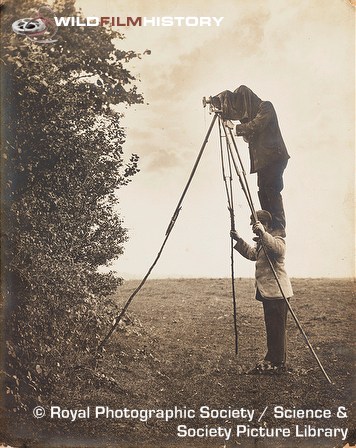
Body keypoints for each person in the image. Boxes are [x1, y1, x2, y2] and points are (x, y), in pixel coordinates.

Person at [212, 85, 290, 237]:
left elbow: (257, 125)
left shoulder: (266, 107)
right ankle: (268, 228)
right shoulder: (254, 114)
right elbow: (250, 135)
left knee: (272, 190)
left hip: (274, 157)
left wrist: (236, 128)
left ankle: (279, 228)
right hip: (263, 161)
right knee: (263, 191)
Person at [230, 210, 293, 374]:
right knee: (272, 327)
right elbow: (252, 254)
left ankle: (277, 363)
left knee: (277, 329)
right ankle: (273, 359)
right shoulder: (261, 242)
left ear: (265, 224)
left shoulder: (278, 241)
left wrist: (263, 233)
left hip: (278, 293)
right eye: (252, 224)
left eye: (255, 224)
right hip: (268, 293)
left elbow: (277, 249)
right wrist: (239, 240)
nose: (252, 227)